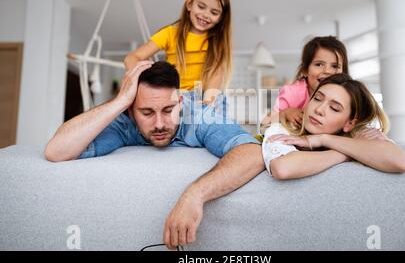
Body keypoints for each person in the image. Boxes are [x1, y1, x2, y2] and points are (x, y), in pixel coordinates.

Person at [44, 61, 265, 249]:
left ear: (179, 103)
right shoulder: (125, 121)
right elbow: (56, 150)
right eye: (147, 112)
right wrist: (120, 101)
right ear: (131, 110)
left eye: (168, 110)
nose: (159, 124)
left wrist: (194, 195)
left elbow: (252, 153)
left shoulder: (199, 115)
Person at [262, 73, 405, 179]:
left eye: (334, 108)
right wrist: (346, 154)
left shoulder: (361, 134)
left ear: (349, 123)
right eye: (317, 99)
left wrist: (323, 139)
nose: (319, 110)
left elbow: (399, 161)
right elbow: (283, 168)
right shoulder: (282, 129)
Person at [124, 0, 232, 104]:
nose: (206, 15)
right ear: (189, 4)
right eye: (201, 7)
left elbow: (216, 75)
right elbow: (131, 58)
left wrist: (207, 103)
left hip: (200, 99)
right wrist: (147, 82)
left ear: (221, 18)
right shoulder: (170, 34)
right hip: (171, 95)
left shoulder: (217, 43)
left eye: (214, 12)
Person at [260, 36, 348, 133]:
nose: (327, 71)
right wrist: (284, 113)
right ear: (305, 70)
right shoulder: (293, 92)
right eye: (319, 64)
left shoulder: (346, 95)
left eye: (335, 66)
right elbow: (265, 124)